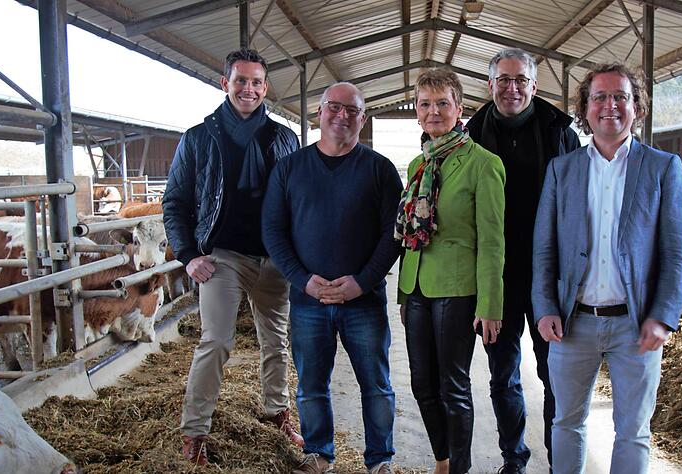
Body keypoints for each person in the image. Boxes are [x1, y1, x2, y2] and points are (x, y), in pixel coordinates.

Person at [531, 63, 682, 474]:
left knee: (633, 430)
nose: (609, 105)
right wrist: (545, 306)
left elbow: (675, 252)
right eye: (599, 97)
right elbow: (544, 248)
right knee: (566, 421)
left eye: (620, 96)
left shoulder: (661, 167)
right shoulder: (561, 170)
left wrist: (663, 315)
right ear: (585, 108)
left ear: (637, 107)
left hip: (634, 324)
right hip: (572, 321)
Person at [162, 48, 302, 466]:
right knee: (217, 341)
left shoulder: (283, 138)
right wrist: (188, 256)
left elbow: (297, 199)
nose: (249, 89)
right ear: (225, 83)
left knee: (276, 341)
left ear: (265, 87)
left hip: (273, 258)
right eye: (240, 80)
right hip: (222, 258)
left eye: (256, 82)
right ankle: (195, 432)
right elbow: (175, 202)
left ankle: (277, 411)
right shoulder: (199, 137)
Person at [262, 82, 402, 474]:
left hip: (364, 301)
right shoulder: (290, 168)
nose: (341, 116)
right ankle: (320, 453)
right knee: (310, 384)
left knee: (376, 384)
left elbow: (394, 234)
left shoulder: (380, 170)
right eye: (333, 108)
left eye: (351, 110)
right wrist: (302, 279)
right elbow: (273, 230)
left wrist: (363, 281)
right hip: (308, 299)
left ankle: (380, 460)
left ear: (363, 117)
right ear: (319, 112)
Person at [465, 47, 580, 474]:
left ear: (534, 86)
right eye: (504, 79)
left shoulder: (559, 134)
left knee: (555, 374)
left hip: (550, 274)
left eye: (521, 80)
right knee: (502, 375)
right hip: (496, 277)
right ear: (490, 84)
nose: (512, 88)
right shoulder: (472, 134)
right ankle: (514, 457)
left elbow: (578, 204)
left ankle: (558, 461)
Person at [396, 68, 506, 474]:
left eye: (442, 103)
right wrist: (404, 293)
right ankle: (442, 461)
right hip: (418, 286)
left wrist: (491, 303)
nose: (433, 111)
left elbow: (493, 241)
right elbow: (410, 235)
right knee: (422, 385)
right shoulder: (417, 165)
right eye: (425, 104)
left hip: (459, 289)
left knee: (453, 387)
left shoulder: (483, 164)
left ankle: (458, 469)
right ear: (417, 113)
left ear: (460, 108)